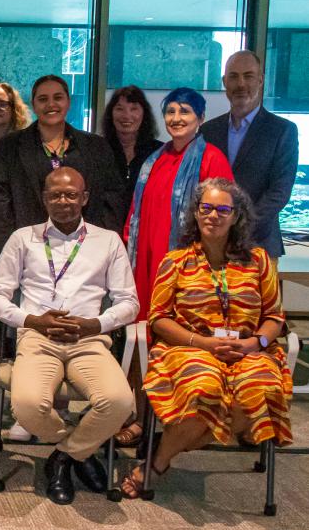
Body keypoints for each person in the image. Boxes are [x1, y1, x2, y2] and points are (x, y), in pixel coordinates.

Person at [121, 178, 292, 498]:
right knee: (205, 389)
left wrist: (254, 344)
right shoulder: (177, 260)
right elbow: (158, 319)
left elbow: (274, 318)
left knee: (260, 391)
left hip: (249, 350)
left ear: (236, 216)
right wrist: (203, 344)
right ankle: (163, 454)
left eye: (223, 209)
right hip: (190, 348)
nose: (213, 215)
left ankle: (159, 457)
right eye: (207, 208)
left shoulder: (259, 260)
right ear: (196, 214)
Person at [0, 167, 138, 505]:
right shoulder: (23, 238)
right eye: (55, 194)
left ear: (84, 198)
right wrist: (32, 320)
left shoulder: (107, 240)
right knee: (25, 406)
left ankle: (63, 458)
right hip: (38, 340)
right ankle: (80, 451)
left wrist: (93, 325)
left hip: (89, 340)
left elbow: (129, 303)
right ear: (44, 198)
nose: (63, 201)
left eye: (71, 194)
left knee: (119, 402)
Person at [119, 87, 233, 447]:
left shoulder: (211, 160)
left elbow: (222, 220)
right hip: (146, 266)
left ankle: (174, 423)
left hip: (187, 271)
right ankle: (138, 414)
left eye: (185, 111)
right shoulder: (156, 158)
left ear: (199, 118)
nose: (177, 118)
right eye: (170, 111)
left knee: (175, 342)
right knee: (140, 340)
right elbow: (136, 214)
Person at [0, 75, 125, 263]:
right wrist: (8, 257)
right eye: (43, 99)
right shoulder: (9, 147)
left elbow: (112, 204)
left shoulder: (96, 147)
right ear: (33, 105)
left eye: (58, 98)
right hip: (28, 254)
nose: (51, 104)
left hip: (85, 256)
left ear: (68, 102)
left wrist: (101, 252)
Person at [201, 50, 299, 258]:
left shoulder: (282, 131)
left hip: (259, 245)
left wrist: (237, 226)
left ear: (261, 80)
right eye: (234, 76)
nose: (241, 84)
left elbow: (279, 192)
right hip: (213, 246)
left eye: (248, 76)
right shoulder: (208, 131)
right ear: (224, 81)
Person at [101, 85, 162, 217]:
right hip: (106, 231)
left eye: (134, 109)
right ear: (110, 114)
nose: (126, 115)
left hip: (145, 228)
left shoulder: (159, 153)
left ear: (144, 113)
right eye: (119, 109)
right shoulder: (98, 149)